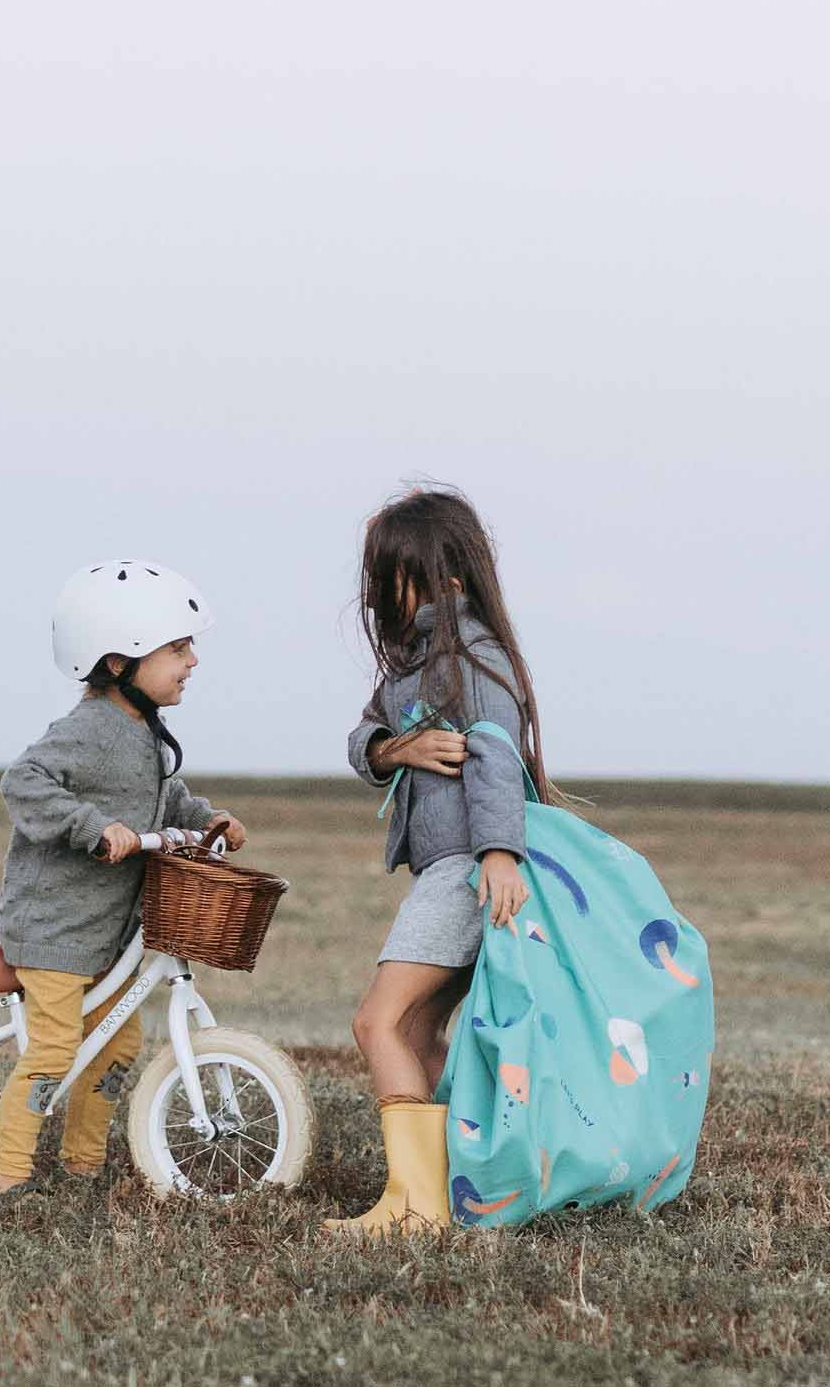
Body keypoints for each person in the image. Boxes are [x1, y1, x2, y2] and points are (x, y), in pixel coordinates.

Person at [326, 488, 550, 1234]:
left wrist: (497, 854)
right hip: (446, 871)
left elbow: (494, 754)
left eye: (391, 573)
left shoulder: (468, 658)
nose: (377, 591)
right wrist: (400, 748)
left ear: (441, 579)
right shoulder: (420, 662)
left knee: (378, 1025)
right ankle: (447, 1190)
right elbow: (364, 739)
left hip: (465, 870)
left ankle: (415, 1205)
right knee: (417, 1035)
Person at [0, 558, 249, 1193]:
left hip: (107, 936)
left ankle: (82, 1164)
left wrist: (206, 818)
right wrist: (91, 827)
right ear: (118, 662)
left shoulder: (145, 734)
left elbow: (163, 798)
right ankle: (8, 1176)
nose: (193, 661)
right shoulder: (89, 729)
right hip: (55, 929)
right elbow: (22, 780)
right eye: (179, 648)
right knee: (53, 1051)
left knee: (116, 1048)